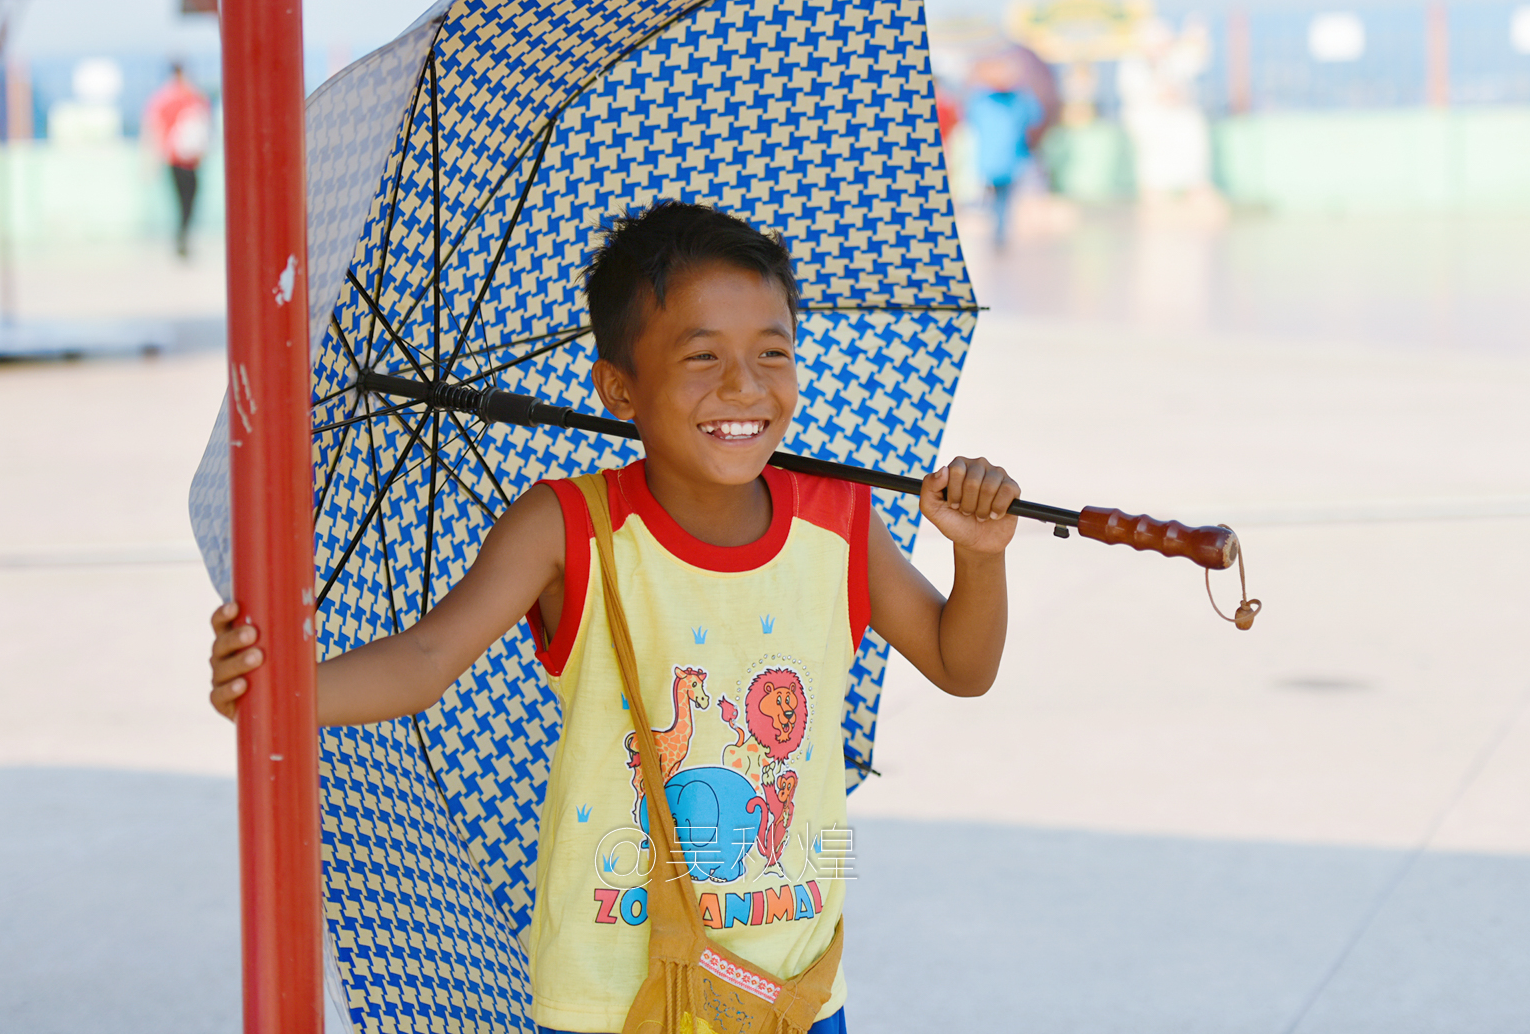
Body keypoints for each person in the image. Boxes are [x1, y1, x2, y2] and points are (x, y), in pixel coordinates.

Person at [209, 202, 1020, 1034]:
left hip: (792, 991)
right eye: (701, 356)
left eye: (771, 353)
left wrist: (980, 555)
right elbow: (425, 657)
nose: (744, 386)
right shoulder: (566, 528)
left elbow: (963, 666)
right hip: (610, 1001)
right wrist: (279, 688)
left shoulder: (839, 521)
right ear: (618, 387)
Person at [964, 56, 1043, 249]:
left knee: (999, 198)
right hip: (1007, 159)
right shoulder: (1015, 100)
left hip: (994, 160)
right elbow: (1034, 116)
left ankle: (998, 231)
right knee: (1002, 198)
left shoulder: (982, 99)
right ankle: (999, 231)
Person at [143, 62, 211, 257]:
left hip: (173, 159)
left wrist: (151, 160)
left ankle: (182, 237)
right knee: (189, 201)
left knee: (181, 201)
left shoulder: (163, 98)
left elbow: (154, 128)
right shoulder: (194, 95)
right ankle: (183, 237)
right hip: (190, 159)